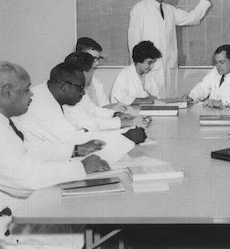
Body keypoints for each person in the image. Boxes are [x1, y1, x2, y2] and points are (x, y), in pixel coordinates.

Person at [0, 61, 109, 248]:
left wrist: (73, 150)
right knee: (83, 226)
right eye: (26, 90)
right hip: (10, 222)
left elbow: (31, 150)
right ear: (7, 92)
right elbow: (26, 179)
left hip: (22, 205)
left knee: (85, 217)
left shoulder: (6, 123)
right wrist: (81, 167)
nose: (32, 93)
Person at [15, 62, 145, 161]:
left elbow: (79, 130)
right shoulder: (42, 104)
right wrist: (125, 137)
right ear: (63, 86)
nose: (83, 93)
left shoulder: (50, 95)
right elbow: (73, 142)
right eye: (80, 88)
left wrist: (122, 131)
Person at [128, 0, 216, 98]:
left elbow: (192, 18)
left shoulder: (170, 10)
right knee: (153, 106)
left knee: (170, 105)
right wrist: (137, 74)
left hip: (169, 69)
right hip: (150, 71)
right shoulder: (139, 9)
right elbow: (133, 43)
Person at [64, 52, 150, 131]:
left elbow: (94, 110)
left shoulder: (80, 89)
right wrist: (124, 122)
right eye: (92, 70)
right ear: (84, 73)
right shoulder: (69, 94)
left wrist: (116, 115)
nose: (92, 74)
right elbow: (87, 122)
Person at [183, 44, 230, 108]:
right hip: (211, 114)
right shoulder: (215, 71)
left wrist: (221, 102)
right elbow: (203, 86)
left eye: (221, 62)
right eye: (216, 62)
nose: (218, 66)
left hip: (228, 118)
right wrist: (192, 97)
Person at [111, 41, 162, 106]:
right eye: (149, 63)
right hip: (128, 113)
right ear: (139, 59)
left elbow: (155, 96)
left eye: (153, 63)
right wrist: (144, 100)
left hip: (145, 111)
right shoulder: (125, 74)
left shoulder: (148, 75)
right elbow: (118, 96)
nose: (152, 66)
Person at [75, 37, 115, 108]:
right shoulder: (71, 81)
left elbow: (104, 103)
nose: (97, 63)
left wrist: (113, 107)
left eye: (98, 59)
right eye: (94, 59)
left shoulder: (95, 81)